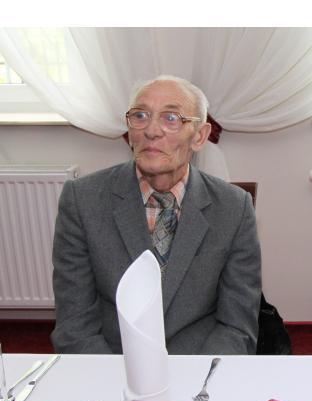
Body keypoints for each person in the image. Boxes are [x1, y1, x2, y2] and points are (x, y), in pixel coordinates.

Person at [51, 75, 261, 354]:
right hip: (114, 361)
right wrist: (113, 376)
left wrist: (201, 376)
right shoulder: (83, 201)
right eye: (140, 115)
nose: (151, 130)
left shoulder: (234, 208)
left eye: (171, 118)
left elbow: (236, 325)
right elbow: (75, 326)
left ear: (200, 136)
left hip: (199, 362)